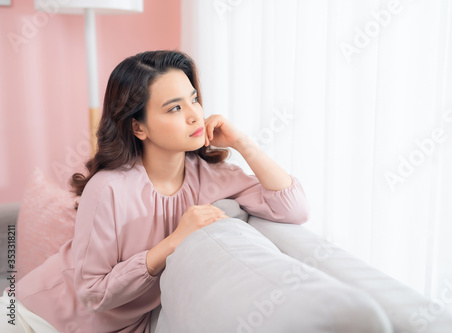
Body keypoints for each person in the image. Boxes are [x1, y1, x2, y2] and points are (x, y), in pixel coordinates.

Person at [1, 50, 309, 332]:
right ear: (138, 127)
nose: (194, 115)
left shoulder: (210, 176)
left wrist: (244, 143)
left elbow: (293, 209)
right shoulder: (108, 188)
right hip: (34, 318)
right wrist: (175, 241)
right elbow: (93, 294)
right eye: (175, 107)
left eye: (193, 99)